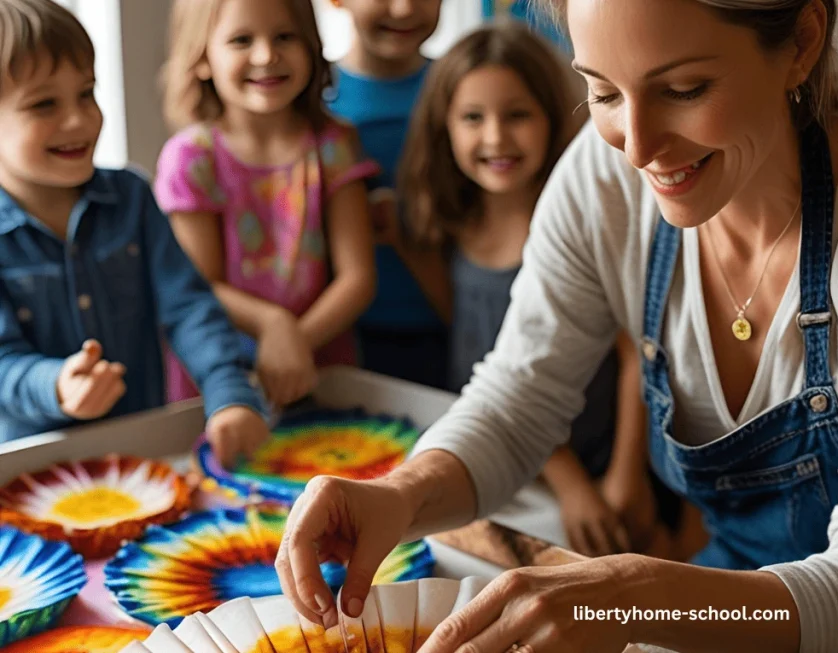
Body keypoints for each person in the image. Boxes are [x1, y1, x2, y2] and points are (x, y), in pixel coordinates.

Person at [275, 0, 838, 651]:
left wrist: (637, 595)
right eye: (601, 92)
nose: (636, 146)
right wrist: (399, 496)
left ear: (800, 44)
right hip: (736, 595)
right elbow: (517, 400)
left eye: (684, 89)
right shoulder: (604, 179)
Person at [398, 22, 680, 557]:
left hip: (597, 464)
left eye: (517, 115)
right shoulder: (456, 228)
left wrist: (626, 475)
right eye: (472, 118)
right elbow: (470, 332)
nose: (496, 137)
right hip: (505, 464)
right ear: (444, 128)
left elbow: (633, 357)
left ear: (553, 117)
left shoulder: (571, 229)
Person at [0, 0, 269, 467]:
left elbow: (189, 307)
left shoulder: (132, 197)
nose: (79, 120)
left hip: (146, 452)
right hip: (32, 469)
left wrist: (229, 392)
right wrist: (57, 385)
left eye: (86, 93)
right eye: (45, 103)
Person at [155, 0, 378, 409]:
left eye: (285, 36)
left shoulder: (334, 145)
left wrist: (293, 343)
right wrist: (272, 324)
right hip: (221, 383)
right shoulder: (191, 158)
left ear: (311, 44)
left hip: (322, 368)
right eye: (242, 39)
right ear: (202, 58)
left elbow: (358, 278)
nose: (265, 55)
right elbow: (201, 285)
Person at [323, 0, 451, 389]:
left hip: (449, 332)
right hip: (335, 339)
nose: (404, 8)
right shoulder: (306, 98)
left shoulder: (464, 90)